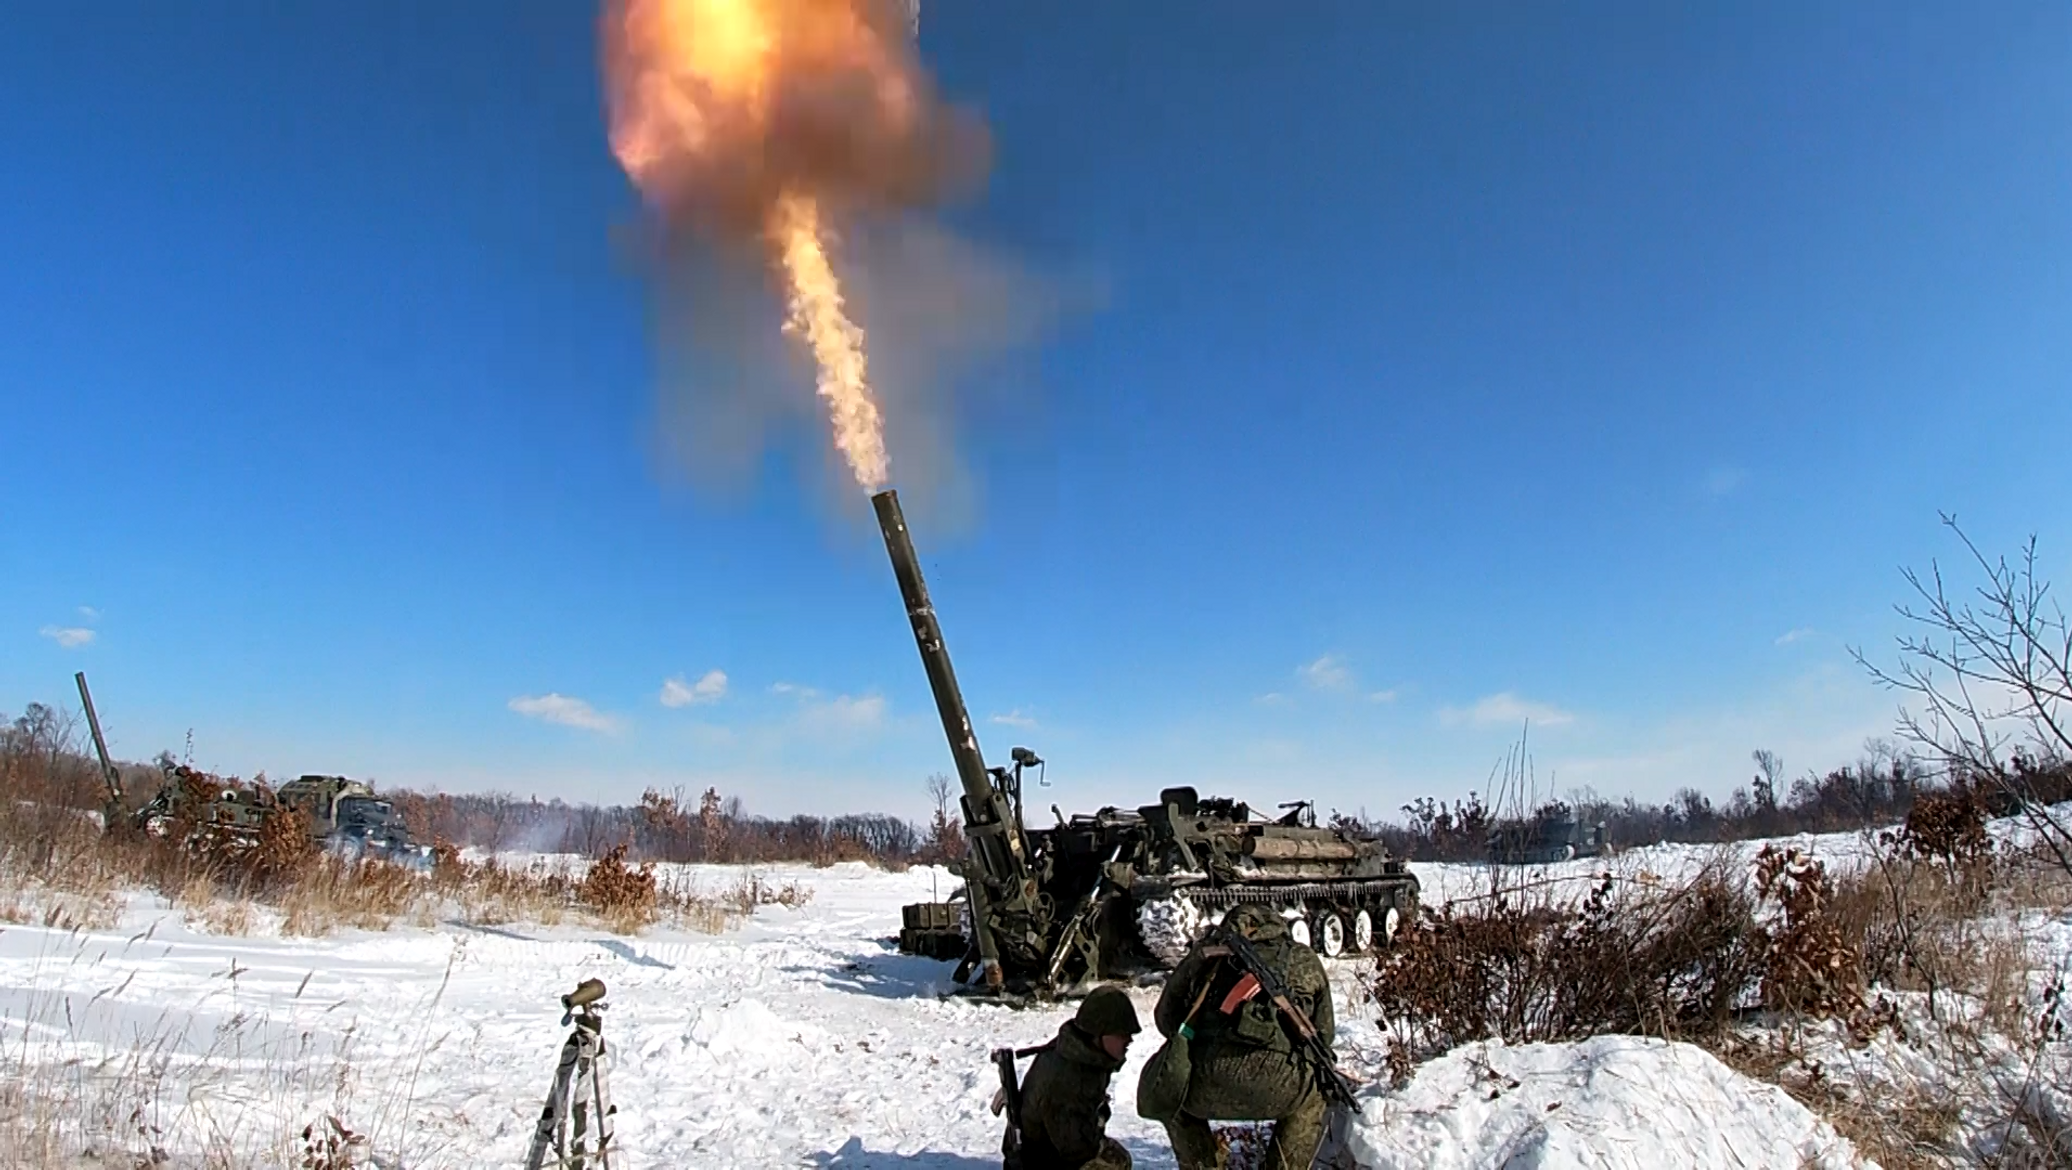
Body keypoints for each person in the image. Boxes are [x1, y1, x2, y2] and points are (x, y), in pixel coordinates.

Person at [1150, 903, 1335, 1170]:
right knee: (1315, 1092)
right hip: (1282, 1087)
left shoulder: (1204, 957)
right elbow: (1325, 1033)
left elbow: (1166, 1021)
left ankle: (1201, 1166)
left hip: (1203, 1087)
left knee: (1171, 1087)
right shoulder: (1303, 958)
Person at [1015, 983, 1141, 1170]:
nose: (1129, 1039)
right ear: (1099, 1033)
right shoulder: (1068, 1079)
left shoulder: (1080, 1055)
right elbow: (1077, 1149)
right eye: (1122, 1033)